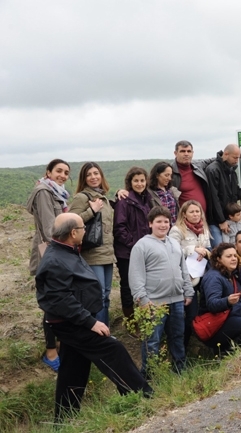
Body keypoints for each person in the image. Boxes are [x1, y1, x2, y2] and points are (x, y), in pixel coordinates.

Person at [36, 213, 151, 422]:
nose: (85, 230)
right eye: (82, 228)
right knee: (113, 350)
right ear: (73, 233)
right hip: (72, 323)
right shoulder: (55, 260)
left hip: (75, 320)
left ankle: (63, 420)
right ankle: (143, 397)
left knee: (73, 370)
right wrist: (91, 322)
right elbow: (60, 300)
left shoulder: (65, 250)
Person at [129, 206, 194, 375]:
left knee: (177, 337)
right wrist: (142, 299)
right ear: (150, 223)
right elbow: (135, 275)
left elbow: (183, 269)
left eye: (166, 221)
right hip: (154, 302)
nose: (163, 225)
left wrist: (188, 291)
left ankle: (181, 370)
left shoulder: (174, 243)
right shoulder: (141, 245)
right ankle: (149, 376)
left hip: (177, 300)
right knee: (152, 341)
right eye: (159, 222)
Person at [26, 158, 71, 372]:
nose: (62, 175)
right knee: (51, 303)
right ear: (48, 172)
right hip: (50, 255)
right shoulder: (44, 192)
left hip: (58, 253)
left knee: (59, 299)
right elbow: (48, 228)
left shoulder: (58, 193)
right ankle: (51, 352)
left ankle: (60, 343)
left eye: (66, 172)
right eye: (58, 171)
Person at [69, 162, 115, 326]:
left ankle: (105, 330)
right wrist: (92, 210)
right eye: (89, 174)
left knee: (106, 295)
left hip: (108, 254)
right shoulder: (82, 197)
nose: (94, 177)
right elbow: (70, 222)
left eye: (96, 173)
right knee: (98, 295)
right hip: (92, 254)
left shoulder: (104, 198)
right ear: (84, 179)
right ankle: (98, 334)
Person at [199, 243, 241, 355]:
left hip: (229, 317)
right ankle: (229, 354)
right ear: (219, 259)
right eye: (228, 256)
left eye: (235, 256)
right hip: (216, 325)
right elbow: (212, 304)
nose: (233, 259)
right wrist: (227, 301)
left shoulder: (231, 274)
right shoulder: (214, 277)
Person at [113, 167, 155, 320]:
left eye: (142, 180)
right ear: (130, 182)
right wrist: (136, 245)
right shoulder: (123, 201)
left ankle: (146, 317)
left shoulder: (148, 199)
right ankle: (130, 321)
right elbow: (119, 228)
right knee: (128, 285)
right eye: (136, 181)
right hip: (127, 252)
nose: (139, 184)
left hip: (145, 250)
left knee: (144, 284)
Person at [168, 200, 211, 348]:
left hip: (202, 273)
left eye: (197, 211)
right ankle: (182, 346)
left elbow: (208, 249)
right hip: (185, 276)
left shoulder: (204, 228)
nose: (195, 214)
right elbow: (172, 250)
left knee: (204, 308)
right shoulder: (176, 230)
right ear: (184, 214)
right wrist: (192, 249)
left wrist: (206, 252)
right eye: (191, 212)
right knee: (189, 313)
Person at [205, 144, 241, 248]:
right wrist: (222, 221)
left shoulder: (232, 171)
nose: (237, 160)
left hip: (230, 220)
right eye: (235, 157)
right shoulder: (213, 170)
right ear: (226, 154)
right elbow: (213, 198)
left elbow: (236, 194)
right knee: (221, 249)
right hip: (216, 222)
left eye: (238, 157)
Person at [170, 140, 213, 214]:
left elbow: (209, 161)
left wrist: (222, 156)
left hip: (203, 218)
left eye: (189, 151)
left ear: (192, 153)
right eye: (182, 151)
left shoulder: (197, 166)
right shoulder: (170, 172)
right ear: (175, 153)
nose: (186, 154)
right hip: (184, 220)